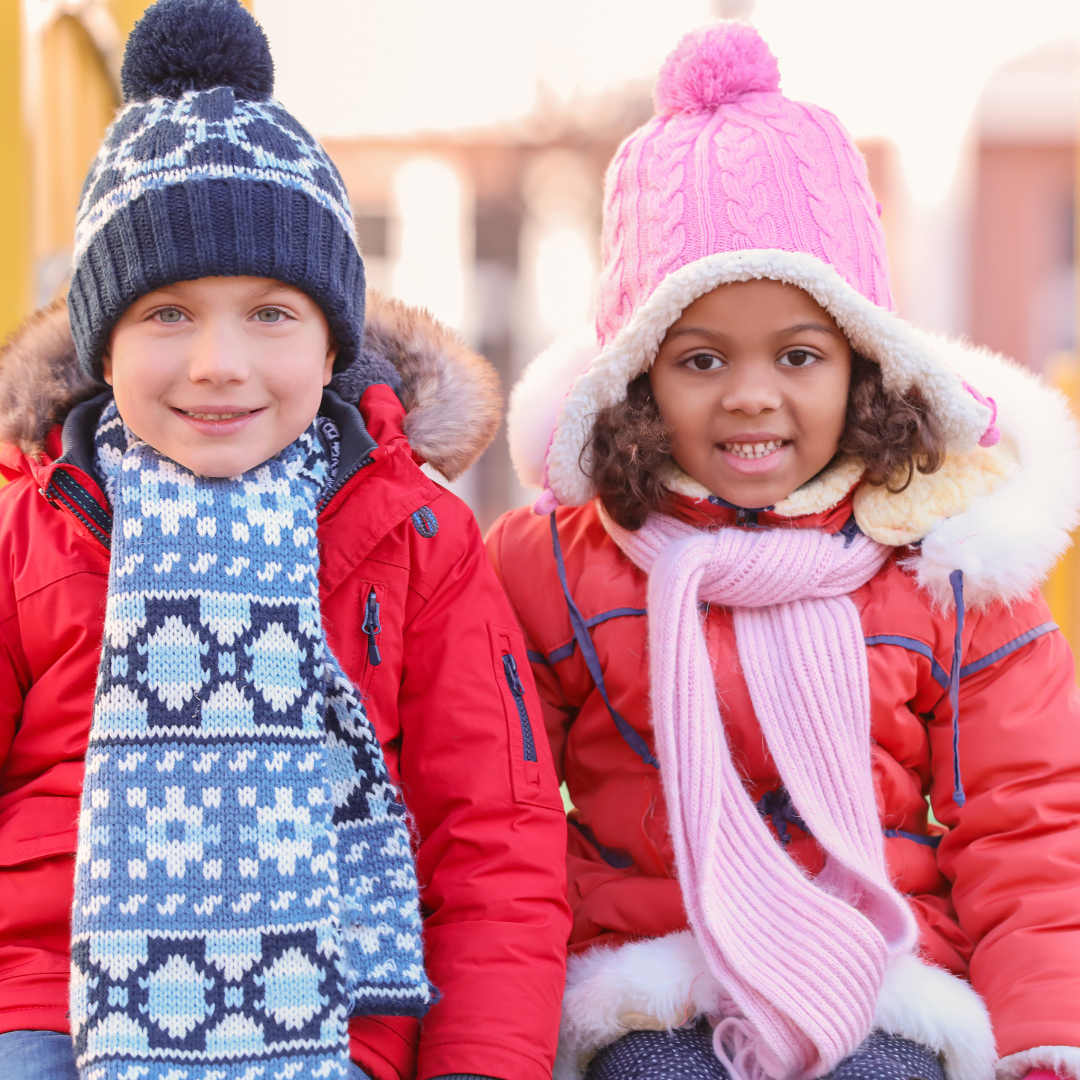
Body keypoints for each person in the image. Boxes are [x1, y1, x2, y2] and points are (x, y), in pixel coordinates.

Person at [486, 20, 1080, 1080]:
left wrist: (1044, 1041)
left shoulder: (941, 557)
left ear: (862, 365)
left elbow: (1028, 819)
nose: (751, 393)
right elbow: (496, 807)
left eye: (799, 354)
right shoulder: (560, 565)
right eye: (701, 357)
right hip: (653, 975)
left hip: (883, 971)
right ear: (635, 379)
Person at [0, 2, 570, 1079]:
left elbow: (494, 843)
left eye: (270, 313)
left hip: (340, 1007)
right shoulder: (34, 527)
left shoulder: (413, 538)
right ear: (100, 346)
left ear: (332, 341)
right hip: (44, 1002)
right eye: (167, 313)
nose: (220, 361)